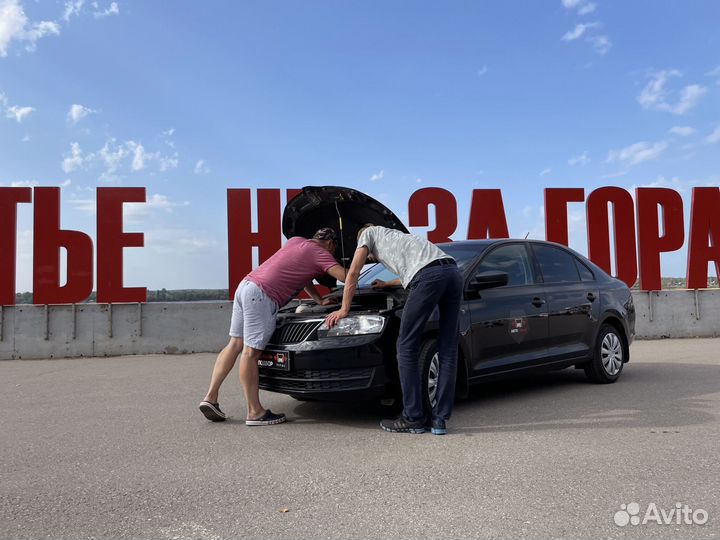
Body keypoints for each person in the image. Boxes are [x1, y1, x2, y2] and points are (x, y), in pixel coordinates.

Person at [325, 224, 462, 435]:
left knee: (406, 345)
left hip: (428, 277)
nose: (371, 257)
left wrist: (344, 309)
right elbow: (422, 268)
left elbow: (352, 273)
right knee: (448, 349)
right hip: (452, 272)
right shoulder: (401, 237)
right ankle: (439, 420)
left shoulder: (368, 234)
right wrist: (386, 284)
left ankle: (413, 417)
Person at [200, 227, 346, 425]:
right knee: (250, 353)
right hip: (263, 295)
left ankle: (211, 397)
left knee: (235, 344)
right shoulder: (320, 252)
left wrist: (319, 300)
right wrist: (363, 260)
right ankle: (255, 412)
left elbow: (303, 275)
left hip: (246, 286)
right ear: (331, 243)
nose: (333, 254)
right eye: (334, 249)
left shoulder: (296, 241)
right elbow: (346, 276)